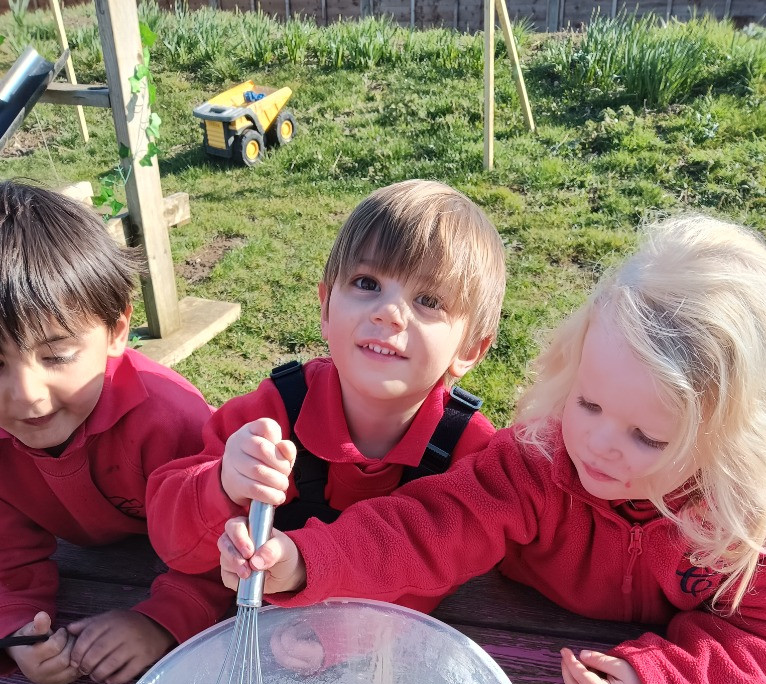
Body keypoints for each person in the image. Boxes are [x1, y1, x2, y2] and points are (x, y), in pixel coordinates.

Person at [218, 212, 766, 684]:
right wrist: (303, 561)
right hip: (497, 648)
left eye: (648, 437)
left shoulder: (743, 521)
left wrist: (664, 679)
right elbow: (422, 530)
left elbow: (757, 635)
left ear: (728, 443)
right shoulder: (536, 463)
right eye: (588, 403)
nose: (598, 446)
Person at [147, 179, 506, 613]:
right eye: (367, 282)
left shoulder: (471, 454)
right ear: (325, 306)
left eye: (428, 299)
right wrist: (222, 484)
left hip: (391, 656)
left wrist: (318, 601)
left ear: (469, 349)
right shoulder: (274, 414)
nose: (388, 312)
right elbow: (170, 539)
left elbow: (437, 557)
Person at [0, 180, 231, 684]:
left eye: (56, 356)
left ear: (117, 329)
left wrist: (163, 620)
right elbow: (6, 552)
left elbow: (229, 540)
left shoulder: (174, 422)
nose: (26, 397)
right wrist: (19, 630)